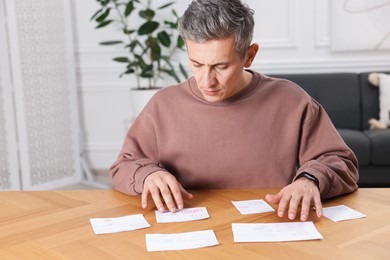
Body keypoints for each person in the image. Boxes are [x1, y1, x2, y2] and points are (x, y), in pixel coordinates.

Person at [110, 0, 359, 221]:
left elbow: (342, 163)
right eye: (196, 64)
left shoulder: (292, 100)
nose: (206, 81)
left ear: (249, 56)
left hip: (270, 228)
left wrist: (310, 180)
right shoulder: (163, 104)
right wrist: (148, 175)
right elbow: (124, 166)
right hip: (189, 234)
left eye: (220, 66)